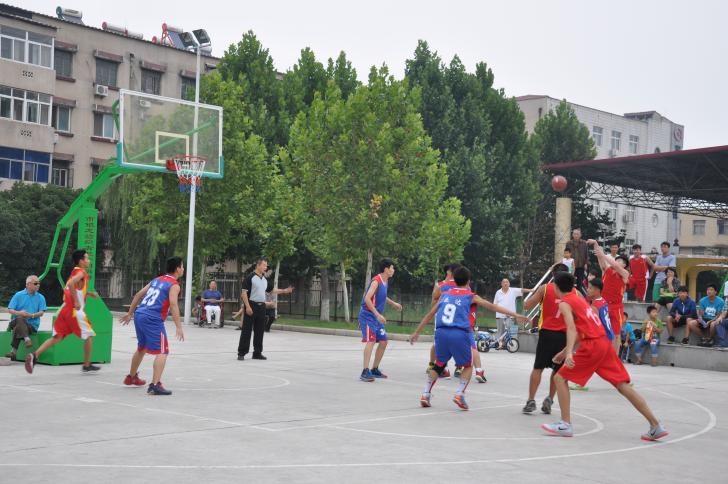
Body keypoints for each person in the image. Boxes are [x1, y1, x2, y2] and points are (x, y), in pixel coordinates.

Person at [541, 272, 667, 441]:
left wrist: (569, 353)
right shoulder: (581, 300)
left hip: (592, 345)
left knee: (559, 378)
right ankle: (655, 425)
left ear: (556, 287)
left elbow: (571, 328)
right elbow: (583, 329)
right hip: (603, 344)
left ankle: (565, 424)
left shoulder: (565, 303)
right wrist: (564, 352)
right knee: (622, 385)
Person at [410, 266, 528, 409]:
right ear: (468, 281)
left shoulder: (444, 295)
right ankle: (459, 394)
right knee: (467, 365)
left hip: (441, 332)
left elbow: (430, 315)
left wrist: (416, 332)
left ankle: (425, 393)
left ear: (455, 280)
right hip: (459, 333)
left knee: (439, 364)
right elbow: (493, 307)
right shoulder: (470, 296)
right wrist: (515, 314)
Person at [24, 250, 99, 374]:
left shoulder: (74, 271)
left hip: (64, 310)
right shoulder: (81, 272)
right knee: (89, 335)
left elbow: (72, 287)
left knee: (57, 337)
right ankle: (86, 365)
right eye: (86, 258)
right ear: (81, 261)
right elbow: (71, 284)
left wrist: (89, 293)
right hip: (74, 312)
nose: (88, 260)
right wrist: (76, 301)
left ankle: (34, 355)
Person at [119, 257, 185, 395]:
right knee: (163, 351)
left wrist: (130, 313)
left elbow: (138, 295)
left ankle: (131, 377)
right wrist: (179, 326)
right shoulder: (174, 285)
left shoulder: (157, 280)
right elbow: (173, 304)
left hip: (139, 314)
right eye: (182, 266)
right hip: (153, 318)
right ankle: (155, 385)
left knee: (142, 347)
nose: (183, 269)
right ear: (177, 269)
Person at [522, 262, 570, 415]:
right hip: (564, 336)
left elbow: (527, 306)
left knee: (538, 368)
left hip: (547, 334)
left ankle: (531, 400)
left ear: (553, 276)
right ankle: (549, 399)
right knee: (558, 370)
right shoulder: (574, 292)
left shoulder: (545, 288)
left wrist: (528, 300)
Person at [237, 258, 293, 361]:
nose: (266, 267)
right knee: (246, 330)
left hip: (262, 306)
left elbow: (272, 290)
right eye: (264, 265)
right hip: (251, 305)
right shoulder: (250, 277)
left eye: (266, 266)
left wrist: (284, 290)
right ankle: (241, 353)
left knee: (259, 331)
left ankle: (257, 353)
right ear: (258, 265)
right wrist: (248, 307)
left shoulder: (264, 279)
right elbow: (243, 293)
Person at [358, 258, 402, 382]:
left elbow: (382, 296)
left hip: (376, 317)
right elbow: (367, 298)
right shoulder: (376, 281)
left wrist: (393, 303)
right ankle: (365, 371)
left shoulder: (385, 281)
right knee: (371, 341)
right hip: (368, 316)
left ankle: (374, 369)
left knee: (383, 341)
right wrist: (377, 315)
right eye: (392, 268)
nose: (393, 270)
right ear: (386, 269)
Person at [588, 239, 629, 352]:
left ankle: (614, 357)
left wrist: (602, 254)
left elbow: (613, 263)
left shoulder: (625, 274)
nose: (617, 262)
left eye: (620, 261)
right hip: (604, 304)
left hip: (616, 307)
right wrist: (596, 244)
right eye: (617, 260)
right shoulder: (607, 270)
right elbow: (601, 258)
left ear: (624, 265)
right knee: (599, 330)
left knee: (616, 334)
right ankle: (599, 352)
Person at [5, 275, 46, 361]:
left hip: (31, 326)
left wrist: (31, 315)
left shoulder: (41, 297)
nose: (38, 285)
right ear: (28, 284)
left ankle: (13, 352)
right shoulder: (18, 295)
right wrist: (19, 313)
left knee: (18, 326)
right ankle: (27, 339)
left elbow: (41, 313)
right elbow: (10, 309)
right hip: (15, 321)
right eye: (36, 283)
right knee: (20, 318)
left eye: (39, 283)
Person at [493, 278, 532, 350]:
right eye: (504, 282)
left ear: (509, 284)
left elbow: (522, 290)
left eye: (507, 282)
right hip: (499, 315)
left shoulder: (513, 290)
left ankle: (509, 344)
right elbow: (495, 304)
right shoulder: (498, 292)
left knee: (510, 331)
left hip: (510, 316)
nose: (505, 283)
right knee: (500, 331)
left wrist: (531, 290)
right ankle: (500, 345)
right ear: (501, 284)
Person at [565, 229, 589, 295]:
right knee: (570, 282)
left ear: (580, 235)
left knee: (580, 283)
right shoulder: (568, 243)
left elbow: (586, 254)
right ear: (572, 235)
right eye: (574, 234)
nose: (576, 235)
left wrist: (586, 263)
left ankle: (579, 296)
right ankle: (570, 294)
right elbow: (566, 254)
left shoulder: (584, 243)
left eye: (577, 234)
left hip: (581, 265)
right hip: (571, 266)